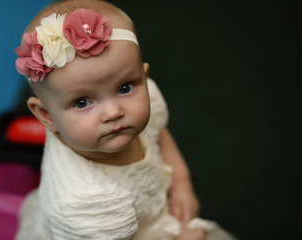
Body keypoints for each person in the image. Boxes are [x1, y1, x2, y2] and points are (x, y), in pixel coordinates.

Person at [14, 0, 236, 239]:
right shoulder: (82, 203)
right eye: (82, 103)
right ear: (47, 116)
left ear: (143, 75)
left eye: (125, 87)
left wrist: (182, 182)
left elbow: (157, 132)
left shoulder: (141, 103)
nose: (113, 112)